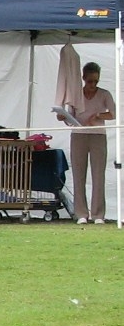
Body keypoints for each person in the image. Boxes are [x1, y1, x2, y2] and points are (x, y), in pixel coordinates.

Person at [57, 61, 116, 223]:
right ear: (83, 78)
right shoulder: (76, 95)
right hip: (79, 135)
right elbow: (70, 117)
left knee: (98, 175)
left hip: (98, 135)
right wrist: (63, 117)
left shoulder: (104, 94)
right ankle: (81, 213)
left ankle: (98, 214)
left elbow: (113, 114)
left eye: (96, 81)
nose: (93, 85)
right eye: (90, 81)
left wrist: (98, 116)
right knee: (78, 174)